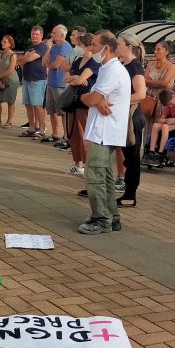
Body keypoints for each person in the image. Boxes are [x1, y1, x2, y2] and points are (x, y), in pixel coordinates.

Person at [78, 30, 131, 234]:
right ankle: (112, 217)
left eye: (93, 44)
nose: (90, 48)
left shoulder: (113, 70)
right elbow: (97, 98)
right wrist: (94, 99)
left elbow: (92, 98)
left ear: (106, 48)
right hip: (104, 130)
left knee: (95, 177)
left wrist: (87, 98)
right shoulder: (108, 68)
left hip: (105, 131)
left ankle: (101, 220)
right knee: (106, 177)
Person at [116, 33, 148, 208]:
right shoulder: (123, 64)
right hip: (122, 116)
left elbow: (141, 94)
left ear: (128, 46)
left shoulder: (135, 66)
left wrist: (116, 101)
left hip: (132, 118)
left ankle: (130, 195)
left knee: (131, 156)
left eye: (119, 44)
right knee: (123, 154)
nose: (116, 46)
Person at [63, 32, 99, 175]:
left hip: (85, 101)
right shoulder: (78, 61)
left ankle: (85, 163)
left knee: (83, 132)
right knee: (73, 133)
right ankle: (77, 162)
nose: (81, 48)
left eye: (83, 45)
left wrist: (75, 79)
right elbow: (66, 77)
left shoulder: (94, 64)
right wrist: (76, 77)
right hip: (73, 100)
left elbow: (77, 81)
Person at [41, 25, 73, 144]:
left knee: (62, 111)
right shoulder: (53, 47)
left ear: (62, 35)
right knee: (51, 110)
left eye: (54, 33)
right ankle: (55, 134)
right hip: (51, 83)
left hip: (61, 83)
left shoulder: (65, 47)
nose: (52, 35)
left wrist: (50, 65)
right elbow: (44, 62)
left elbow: (56, 65)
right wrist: (49, 49)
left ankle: (66, 136)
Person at [18, 26, 48, 138]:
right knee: (28, 104)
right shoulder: (29, 47)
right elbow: (22, 61)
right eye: (32, 34)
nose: (34, 36)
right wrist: (25, 57)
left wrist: (25, 57)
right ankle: (31, 128)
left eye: (36, 34)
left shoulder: (42, 47)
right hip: (26, 79)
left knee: (37, 105)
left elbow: (29, 59)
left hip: (37, 79)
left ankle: (41, 129)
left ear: (41, 35)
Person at [0, 34, 20, 128]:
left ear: (10, 43)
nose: (2, 43)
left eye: (5, 41)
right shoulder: (1, 54)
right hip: (1, 79)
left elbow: (11, 70)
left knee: (10, 101)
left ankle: (9, 122)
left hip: (11, 81)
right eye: (2, 41)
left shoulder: (13, 55)